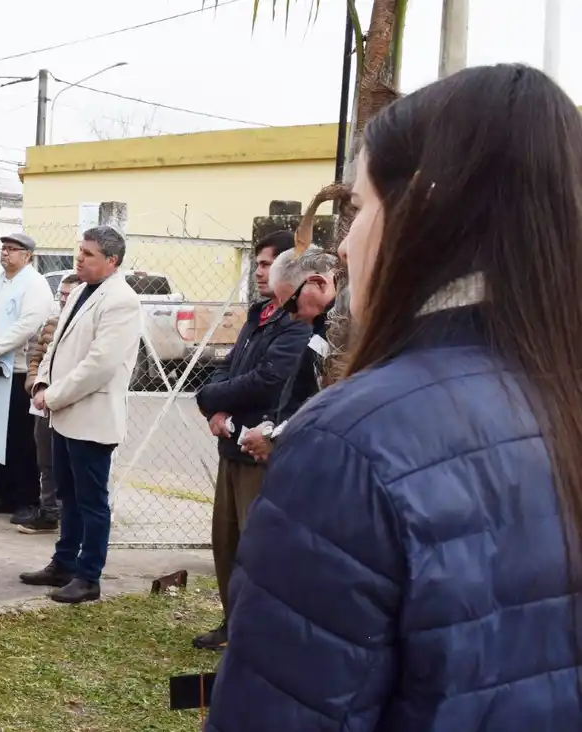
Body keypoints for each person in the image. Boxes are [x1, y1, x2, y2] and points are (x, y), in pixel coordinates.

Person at [207, 64, 582, 731]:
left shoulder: (353, 443)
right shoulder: (556, 390)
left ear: (422, 213)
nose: (345, 245)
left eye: (359, 208)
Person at [191, 229, 309, 651]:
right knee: (226, 541)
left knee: (258, 546)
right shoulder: (259, 315)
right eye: (257, 263)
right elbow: (229, 366)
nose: (258, 272)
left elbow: (269, 379)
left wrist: (212, 397)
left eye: (266, 264)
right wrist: (214, 404)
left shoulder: (297, 323)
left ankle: (258, 632)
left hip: (261, 451)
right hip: (231, 444)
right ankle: (232, 622)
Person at [24, 225, 142, 604]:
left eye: (89, 254)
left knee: (91, 501)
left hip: (91, 417)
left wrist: (53, 396)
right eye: (80, 251)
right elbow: (56, 345)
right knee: (67, 497)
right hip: (63, 412)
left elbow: (99, 365)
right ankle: (63, 563)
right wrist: (42, 383)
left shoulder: (121, 300)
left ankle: (89, 575)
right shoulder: (78, 290)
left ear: (112, 260)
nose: (80, 258)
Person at [0, 232, 53, 523]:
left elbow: (28, 324)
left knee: (20, 439)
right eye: (3, 249)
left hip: (15, 370)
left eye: (12, 249)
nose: (5, 254)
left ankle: (26, 497)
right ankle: (3, 491)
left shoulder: (35, 284)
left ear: (27, 255)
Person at [237, 248, 340, 463]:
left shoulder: (342, 332)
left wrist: (274, 438)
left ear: (319, 283)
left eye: (292, 304)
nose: (292, 315)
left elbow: (328, 404)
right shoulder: (325, 328)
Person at [20, 273, 79, 535]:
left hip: (69, 403)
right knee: (45, 457)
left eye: (70, 294)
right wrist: (35, 385)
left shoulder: (83, 326)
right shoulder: (52, 324)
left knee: (70, 461)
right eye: (62, 295)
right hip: (42, 402)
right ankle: (48, 510)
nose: (64, 299)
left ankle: (69, 512)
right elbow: (36, 359)